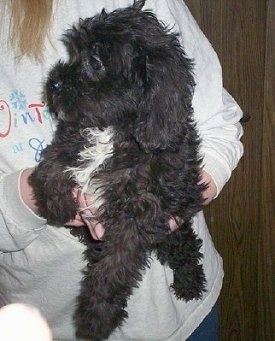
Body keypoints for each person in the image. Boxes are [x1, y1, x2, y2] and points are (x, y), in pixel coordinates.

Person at [0, 0, 243, 340]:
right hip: (41, 322)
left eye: (93, 63)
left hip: (178, 321)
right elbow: (57, 163)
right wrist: (30, 196)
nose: (60, 78)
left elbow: (220, 124)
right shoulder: (84, 124)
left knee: (166, 237)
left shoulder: (160, 124)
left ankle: (181, 266)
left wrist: (162, 216)